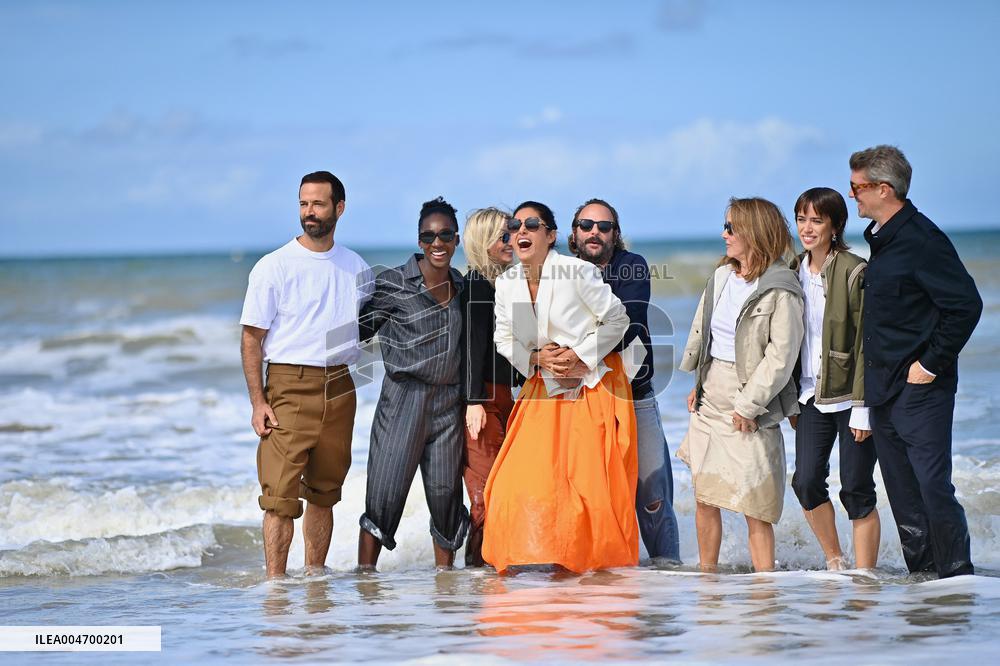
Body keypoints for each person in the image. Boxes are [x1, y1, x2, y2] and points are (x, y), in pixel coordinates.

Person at [482, 201, 639, 573]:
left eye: (531, 224)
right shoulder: (506, 284)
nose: (521, 231)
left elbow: (618, 319)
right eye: (515, 226)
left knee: (589, 490)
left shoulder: (576, 271)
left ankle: (595, 572)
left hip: (592, 387)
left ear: (550, 236)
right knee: (511, 484)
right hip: (542, 389)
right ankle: (536, 561)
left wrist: (580, 354)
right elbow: (504, 337)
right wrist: (536, 359)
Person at [850, 145, 982, 578]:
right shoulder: (883, 241)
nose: (852, 196)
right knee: (903, 493)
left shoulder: (922, 240)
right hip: (883, 387)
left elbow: (965, 305)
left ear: (884, 189)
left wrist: (930, 363)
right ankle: (923, 582)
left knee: (931, 487)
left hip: (922, 388)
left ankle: (958, 580)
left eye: (858, 187)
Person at [240, 170, 373, 577]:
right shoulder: (274, 266)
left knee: (324, 494)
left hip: (339, 387)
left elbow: (367, 329)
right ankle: (276, 587)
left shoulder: (357, 268)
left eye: (317, 203)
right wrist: (258, 401)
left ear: (339, 208)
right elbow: (251, 338)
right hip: (287, 386)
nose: (309, 212)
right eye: (303, 203)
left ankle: (316, 580)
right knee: (279, 496)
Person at [678, 197, 804, 573]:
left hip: (750, 397)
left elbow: (781, 358)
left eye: (731, 228)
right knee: (706, 496)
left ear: (754, 232)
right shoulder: (720, 277)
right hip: (710, 394)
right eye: (725, 226)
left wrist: (748, 406)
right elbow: (707, 334)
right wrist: (699, 383)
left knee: (755, 503)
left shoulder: (782, 287)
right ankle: (707, 577)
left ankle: (766, 588)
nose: (724, 234)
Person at [357, 196, 470, 570]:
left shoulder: (464, 287)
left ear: (456, 240)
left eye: (445, 235)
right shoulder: (392, 283)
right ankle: (365, 582)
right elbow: (354, 332)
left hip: (449, 405)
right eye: (428, 236)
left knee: (446, 497)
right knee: (384, 495)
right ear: (419, 241)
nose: (437, 243)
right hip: (402, 400)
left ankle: (446, 585)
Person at [568, 198, 681, 563]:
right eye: (586, 225)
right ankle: (606, 580)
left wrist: (572, 345)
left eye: (604, 226)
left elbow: (625, 325)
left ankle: (667, 570)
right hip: (581, 399)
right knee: (592, 497)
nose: (594, 232)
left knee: (652, 495)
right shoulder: (562, 270)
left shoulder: (632, 267)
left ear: (616, 234)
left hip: (635, 395)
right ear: (574, 233)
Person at [788, 187, 881, 570]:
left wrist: (864, 406)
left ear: (835, 225)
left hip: (850, 397)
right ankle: (835, 560)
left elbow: (866, 342)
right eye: (801, 219)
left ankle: (865, 576)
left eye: (816, 220)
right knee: (806, 482)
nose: (807, 228)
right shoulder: (790, 271)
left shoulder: (855, 269)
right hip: (810, 396)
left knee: (857, 488)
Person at [460, 207, 523, 567]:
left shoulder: (504, 285)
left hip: (504, 397)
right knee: (485, 494)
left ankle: (490, 567)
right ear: (484, 241)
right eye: (504, 235)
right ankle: (475, 575)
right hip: (481, 398)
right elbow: (471, 345)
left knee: (504, 487)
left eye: (513, 232)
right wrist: (473, 401)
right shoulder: (475, 284)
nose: (511, 240)